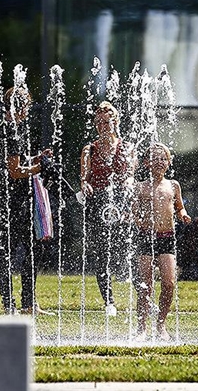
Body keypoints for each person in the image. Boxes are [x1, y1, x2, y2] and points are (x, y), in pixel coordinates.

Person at [0, 86, 54, 316]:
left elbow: (16, 161)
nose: (28, 110)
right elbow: (15, 171)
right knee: (10, 253)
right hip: (10, 202)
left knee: (30, 249)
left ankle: (27, 304)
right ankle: (12, 307)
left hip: (12, 200)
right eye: (27, 105)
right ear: (20, 107)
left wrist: (36, 158)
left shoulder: (7, 127)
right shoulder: (11, 130)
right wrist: (40, 167)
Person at [79, 101, 136, 316]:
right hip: (98, 205)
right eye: (100, 122)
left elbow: (130, 175)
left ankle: (140, 296)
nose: (104, 126)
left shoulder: (127, 147)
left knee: (126, 250)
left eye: (108, 121)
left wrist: (128, 185)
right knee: (101, 254)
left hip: (121, 203)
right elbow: (84, 178)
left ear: (116, 122)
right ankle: (109, 301)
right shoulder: (89, 150)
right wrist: (85, 185)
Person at [131, 143, 190, 341]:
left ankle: (161, 324)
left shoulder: (173, 185)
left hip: (167, 237)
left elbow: (179, 206)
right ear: (146, 163)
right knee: (145, 285)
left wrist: (183, 214)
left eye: (163, 158)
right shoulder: (140, 186)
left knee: (169, 283)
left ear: (169, 162)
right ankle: (141, 328)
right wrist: (135, 219)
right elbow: (133, 210)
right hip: (146, 237)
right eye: (154, 158)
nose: (159, 162)